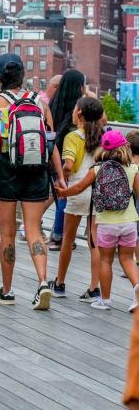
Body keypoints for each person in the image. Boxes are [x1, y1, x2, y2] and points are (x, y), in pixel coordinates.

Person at [0, 52, 63, 309]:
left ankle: (7, 290)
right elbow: (51, 141)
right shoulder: (40, 102)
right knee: (34, 228)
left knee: (7, 234)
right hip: (37, 170)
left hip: (7, 170)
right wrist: (59, 177)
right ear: (23, 76)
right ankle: (44, 283)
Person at [56, 129, 139, 311]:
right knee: (127, 259)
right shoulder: (133, 168)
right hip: (129, 222)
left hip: (106, 224)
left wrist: (63, 192)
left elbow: (78, 187)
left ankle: (106, 300)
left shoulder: (97, 169)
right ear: (125, 148)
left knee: (106, 261)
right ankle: (137, 288)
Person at [48, 96, 103, 301]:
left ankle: (60, 283)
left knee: (68, 239)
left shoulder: (73, 136)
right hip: (97, 188)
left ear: (79, 113)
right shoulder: (102, 135)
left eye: (75, 108)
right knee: (93, 239)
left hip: (77, 189)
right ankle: (94, 287)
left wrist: (63, 177)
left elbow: (69, 165)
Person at [47, 69, 88, 250]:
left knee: (60, 195)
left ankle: (57, 235)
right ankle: (59, 237)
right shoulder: (79, 108)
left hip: (55, 156)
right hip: (73, 158)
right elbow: (102, 120)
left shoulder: (53, 104)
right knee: (65, 197)